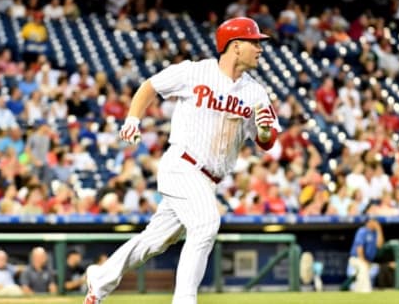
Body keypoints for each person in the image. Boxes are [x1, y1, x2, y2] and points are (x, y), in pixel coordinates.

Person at [84, 17, 280, 304]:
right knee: (206, 224)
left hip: (208, 179)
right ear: (236, 46)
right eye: (254, 42)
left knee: (153, 241)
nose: (260, 48)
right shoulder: (195, 72)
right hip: (182, 165)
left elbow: (268, 141)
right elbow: (150, 86)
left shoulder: (256, 93)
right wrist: (133, 119)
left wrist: (264, 131)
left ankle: (100, 279)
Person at [347, 218, 384, 292]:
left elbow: (380, 245)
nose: (375, 223)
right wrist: (364, 261)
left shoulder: (375, 233)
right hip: (356, 258)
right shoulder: (362, 231)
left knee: (375, 268)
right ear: (369, 222)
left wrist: (379, 230)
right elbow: (359, 248)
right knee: (363, 267)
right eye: (373, 221)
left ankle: (358, 289)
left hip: (369, 261)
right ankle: (365, 291)